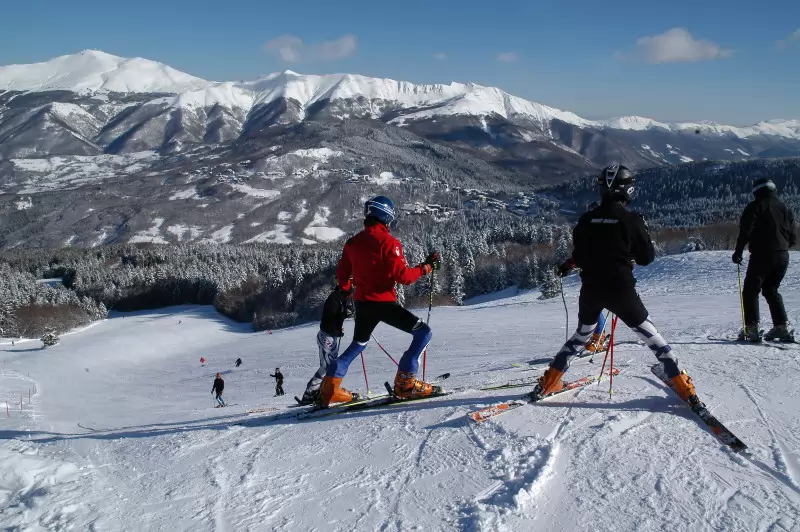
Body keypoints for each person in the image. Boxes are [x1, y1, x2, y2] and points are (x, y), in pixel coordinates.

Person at [533, 164, 698, 404]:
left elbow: (579, 256)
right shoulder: (632, 220)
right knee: (653, 339)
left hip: (590, 290)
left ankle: (550, 382)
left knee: (580, 337)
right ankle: (683, 387)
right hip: (621, 290)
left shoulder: (586, 219)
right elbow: (646, 258)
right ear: (628, 190)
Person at [319, 195, 441, 407]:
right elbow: (404, 277)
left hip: (362, 303)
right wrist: (426, 267)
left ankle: (330, 388)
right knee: (423, 333)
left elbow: (342, 275)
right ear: (386, 217)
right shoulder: (389, 243)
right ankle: (406, 383)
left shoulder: (352, 243)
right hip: (383, 304)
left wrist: (347, 291)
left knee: (358, 344)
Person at [733, 177, 796, 342]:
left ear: (756, 190)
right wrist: (782, 246)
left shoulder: (754, 206)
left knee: (751, 290)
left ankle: (751, 327)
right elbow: (793, 237)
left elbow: (745, 231)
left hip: (762, 254)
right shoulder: (784, 208)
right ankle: (781, 326)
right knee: (771, 289)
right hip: (783, 255)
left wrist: (738, 252)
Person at [297, 286, 355, 405]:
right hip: (326, 336)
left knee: (330, 366)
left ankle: (320, 390)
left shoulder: (339, 299)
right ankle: (310, 393)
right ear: (344, 292)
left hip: (330, 336)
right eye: (349, 294)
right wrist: (339, 323)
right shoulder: (334, 300)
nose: (350, 297)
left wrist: (344, 317)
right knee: (327, 367)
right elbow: (330, 318)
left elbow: (338, 316)